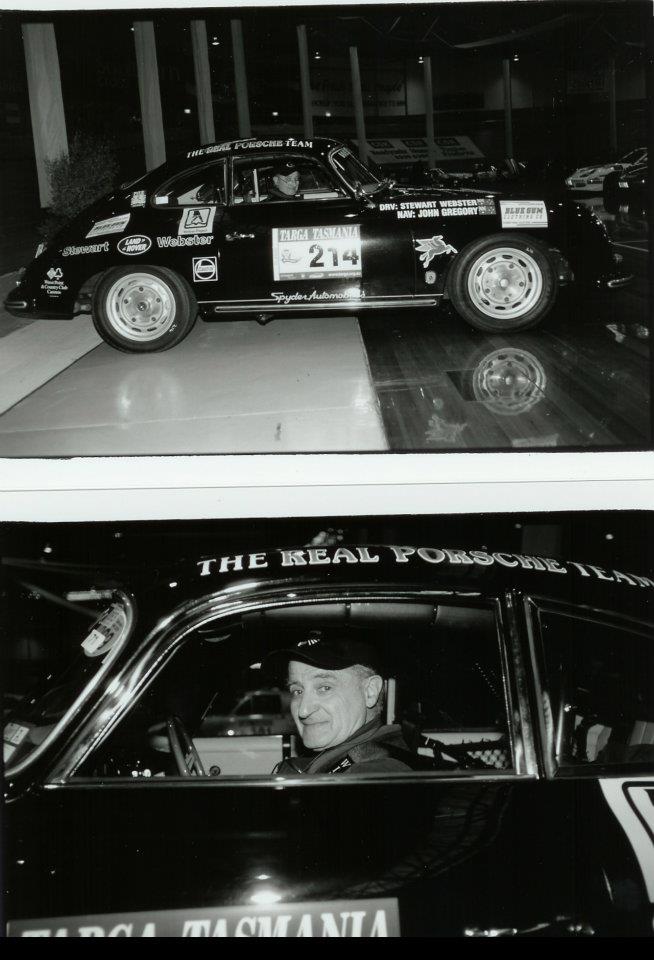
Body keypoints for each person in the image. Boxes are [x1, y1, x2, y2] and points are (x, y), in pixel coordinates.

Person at [263, 631, 416, 775]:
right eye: (297, 691)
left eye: (324, 688)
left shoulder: (372, 775)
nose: (303, 710)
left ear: (370, 691)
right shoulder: (347, 760)